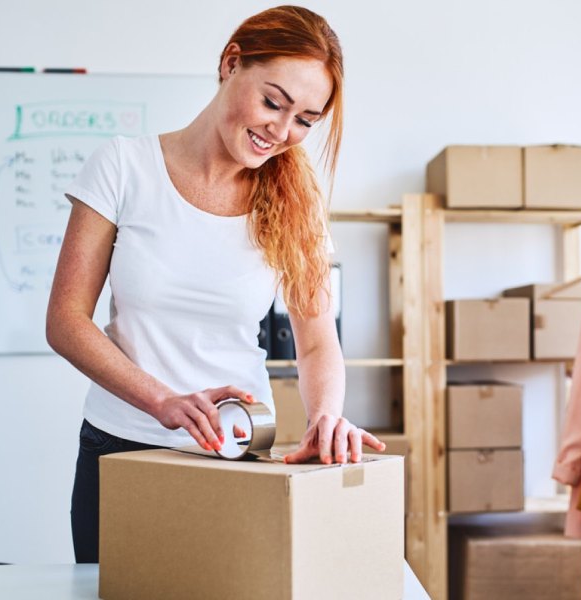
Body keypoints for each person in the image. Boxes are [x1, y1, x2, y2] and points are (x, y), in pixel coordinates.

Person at [46, 5, 385, 563]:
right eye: (273, 101)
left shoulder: (298, 205)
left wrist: (325, 414)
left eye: (304, 119)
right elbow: (65, 321)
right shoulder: (124, 167)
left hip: (238, 451)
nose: (280, 131)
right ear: (231, 63)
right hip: (120, 444)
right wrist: (164, 401)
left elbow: (318, 340)